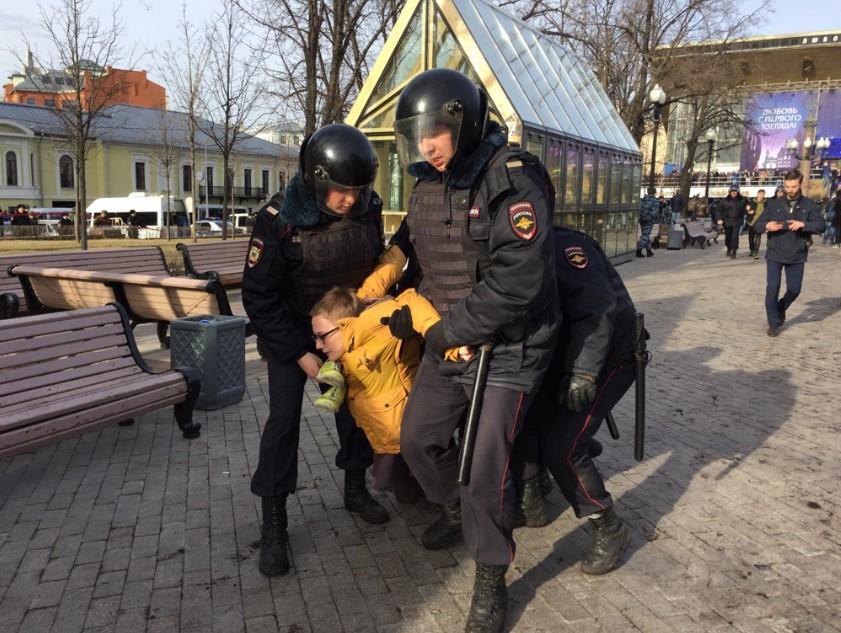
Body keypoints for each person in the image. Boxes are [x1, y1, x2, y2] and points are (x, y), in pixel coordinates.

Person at [388, 68, 559, 633]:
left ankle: (490, 574)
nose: (427, 146)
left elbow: (520, 280)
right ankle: (457, 509)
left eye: (435, 132)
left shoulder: (511, 178)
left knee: (485, 468)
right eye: (418, 136)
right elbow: (422, 257)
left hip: (510, 346)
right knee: (417, 440)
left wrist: (448, 331)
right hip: (452, 342)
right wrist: (403, 298)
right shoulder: (426, 183)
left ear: (463, 123)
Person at [241, 124, 393, 578]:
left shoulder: (368, 208)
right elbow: (258, 298)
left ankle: (355, 487)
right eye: (341, 191)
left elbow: (372, 265)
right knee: (283, 422)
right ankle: (274, 522)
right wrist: (302, 354)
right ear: (315, 178)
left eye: (357, 190)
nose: (350, 200)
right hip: (290, 333)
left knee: (358, 411)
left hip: (346, 328)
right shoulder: (277, 220)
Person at [514, 226, 638, 575]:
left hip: (606, 357)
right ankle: (534, 492)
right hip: (559, 357)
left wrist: (583, 371)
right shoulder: (511, 244)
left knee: (565, 447)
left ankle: (608, 526)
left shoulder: (563, 244)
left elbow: (597, 308)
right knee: (521, 420)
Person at [309, 286, 467, 499]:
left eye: (322, 337)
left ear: (345, 324)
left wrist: (449, 346)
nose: (318, 345)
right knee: (407, 494)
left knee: (435, 479)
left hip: (407, 434)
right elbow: (381, 276)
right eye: (315, 337)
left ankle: (457, 506)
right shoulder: (345, 348)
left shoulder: (375, 325)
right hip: (385, 439)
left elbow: (411, 301)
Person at [753, 169, 825, 337]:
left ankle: (780, 307)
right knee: (772, 289)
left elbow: (821, 225)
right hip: (775, 252)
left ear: (800, 184)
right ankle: (773, 324)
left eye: (793, 186)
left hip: (797, 252)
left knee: (794, 289)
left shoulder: (809, 205)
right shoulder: (774, 204)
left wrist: (804, 225)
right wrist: (766, 226)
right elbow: (757, 225)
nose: (790, 190)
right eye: (787, 186)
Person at [717, 185, 747, 258]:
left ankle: (734, 251)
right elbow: (718, 210)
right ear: (729, 192)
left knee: (735, 237)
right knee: (728, 236)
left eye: (735, 191)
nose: (734, 193)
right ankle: (729, 248)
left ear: (738, 192)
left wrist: (748, 208)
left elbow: (747, 207)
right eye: (732, 191)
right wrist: (719, 219)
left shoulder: (742, 200)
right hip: (727, 221)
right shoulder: (724, 200)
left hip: (737, 221)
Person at [636, 187, 659, 258]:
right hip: (649, 220)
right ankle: (639, 250)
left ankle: (649, 251)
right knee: (645, 235)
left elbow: (639, 209)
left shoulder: (643, 199)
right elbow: (655, 212)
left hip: (642, 220)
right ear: (654, 192)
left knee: (646, 234)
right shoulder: (654, 200)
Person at [746, 189, 767, 259]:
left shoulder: (766, 203)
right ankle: (752, 250)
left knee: (758, 238)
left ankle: (755, 252)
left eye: (763, 194)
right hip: (751, 222)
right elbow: (746, 210)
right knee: (751, 238)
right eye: (760, 194)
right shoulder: (751, 202)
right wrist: (749, 211)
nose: (761, 196)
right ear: (757, 194)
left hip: (760, 223)